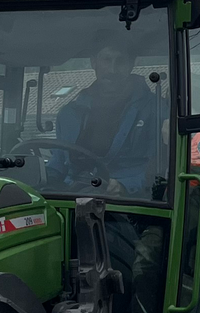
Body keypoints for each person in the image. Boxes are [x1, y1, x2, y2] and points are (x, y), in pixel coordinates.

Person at [48, 41, 164, 196]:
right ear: (93, 62)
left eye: (120, 61)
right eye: (106, 60)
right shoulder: (69, 114)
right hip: (72, 196)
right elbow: (59, 162)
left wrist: (126, 185)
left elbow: (163, 166)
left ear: (131, 64)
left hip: (130, 206)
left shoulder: (156, 109)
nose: (112, 69)